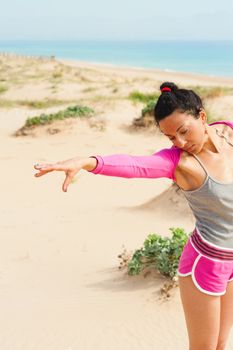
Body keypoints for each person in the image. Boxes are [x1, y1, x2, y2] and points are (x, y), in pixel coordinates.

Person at [34, 82, 233, 350]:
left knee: (222, 344)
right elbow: (135, 165)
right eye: (171, 138)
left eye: (184, 131)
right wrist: (87, 161)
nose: (180, 143)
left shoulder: (228, 132)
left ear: (202, 116)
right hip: (205, 264)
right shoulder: (181, 163)